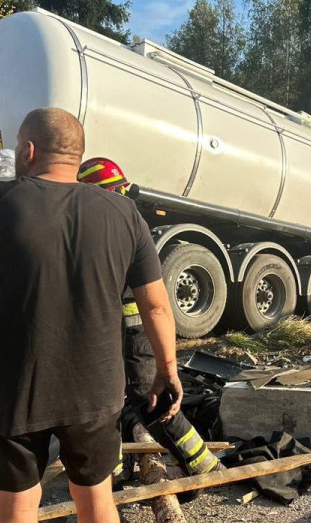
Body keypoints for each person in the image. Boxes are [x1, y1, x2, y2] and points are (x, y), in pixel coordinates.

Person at [0, 108, 182, 523]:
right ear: (77, 155)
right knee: (96, 499)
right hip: (95, 388)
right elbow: (157, 305)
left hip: (14, 389)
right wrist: (167, 369)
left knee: (18, 505)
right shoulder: (125, 214)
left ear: (28, 150)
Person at [76, 157, 224, 486]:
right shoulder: (119, 227)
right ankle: (115, 475)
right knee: (119, 402)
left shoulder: (96, 230)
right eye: (116, 192)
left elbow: (153, 305)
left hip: (129, 335)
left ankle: (204, 466)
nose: (122, 199)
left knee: (148, 400)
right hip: (121, 336)